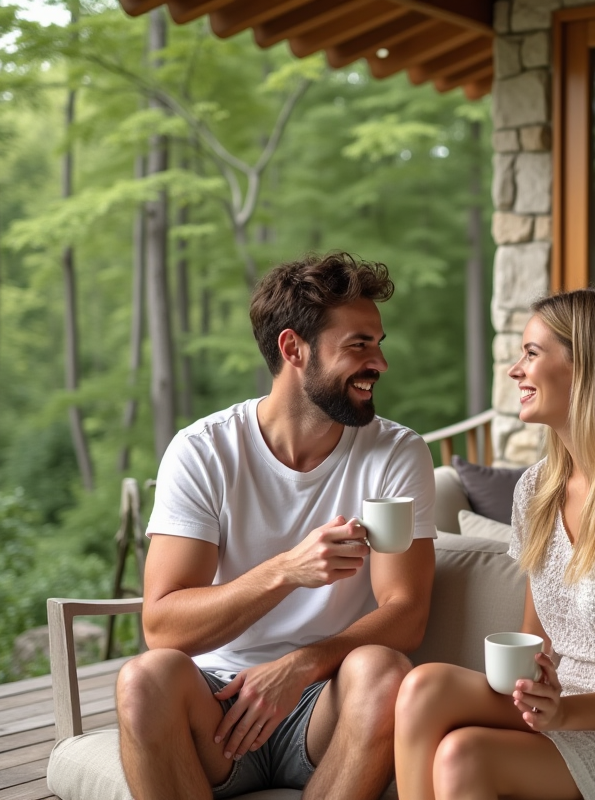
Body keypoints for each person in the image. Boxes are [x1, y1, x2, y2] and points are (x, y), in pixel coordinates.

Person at [116, 252, 437, 800]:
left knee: (384, 671)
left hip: (324, 702)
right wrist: (286, 571)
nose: (380, 363)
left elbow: (406, 614)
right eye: (359, 345)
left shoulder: (395, 453)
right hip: (217, 704)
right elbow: (163, 627)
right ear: (293, 349)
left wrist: (300, 667)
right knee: (143, 680)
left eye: (378, 344)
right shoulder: (204, 451)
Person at [394, 288, 595, 800]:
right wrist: (537, 686)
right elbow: (535, 639)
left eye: (531, 353)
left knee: (462, 754)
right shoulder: (536, 488)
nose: (515, 370)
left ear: (585, 368)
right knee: (422, 687)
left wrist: (565, 713)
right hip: (560, 706)